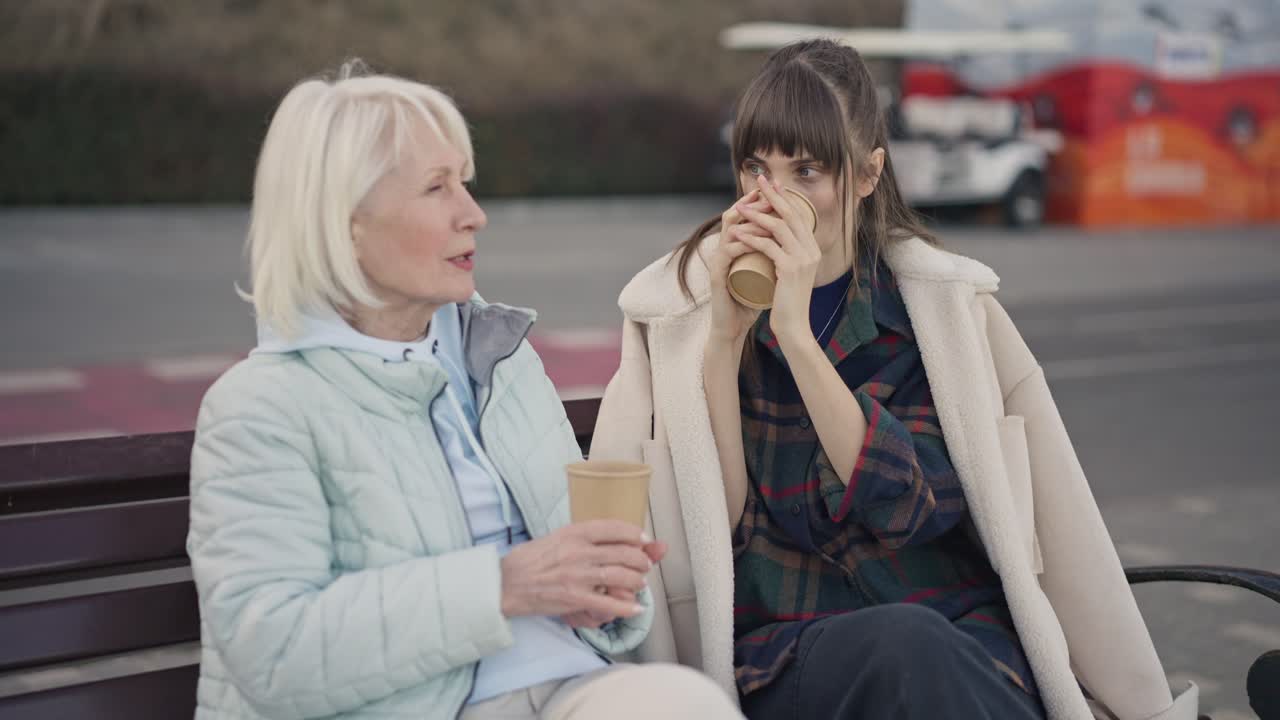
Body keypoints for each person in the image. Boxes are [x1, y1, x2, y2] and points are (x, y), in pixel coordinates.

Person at [590, 40, 1199, 720]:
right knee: (904, 650)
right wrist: (728, 339)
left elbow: (911, 507)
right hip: (794, 647)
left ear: (867, 174)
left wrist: (799, 336)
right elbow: (721, 524)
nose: (773, 197)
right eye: (756, 168)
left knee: (924, 652)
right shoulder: (694, 312)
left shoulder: (926, 313)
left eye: (807, 171)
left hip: (951, 627)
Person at [187, 61, 743, 720]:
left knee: (684, 705)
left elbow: (572, 566)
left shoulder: (500, 359)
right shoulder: (260, 408)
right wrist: (505, 586)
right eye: (436, 188)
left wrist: (602, 584)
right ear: (345, 223)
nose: (473, 215)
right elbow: (274, 653)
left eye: (466, 183)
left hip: (573, 686)